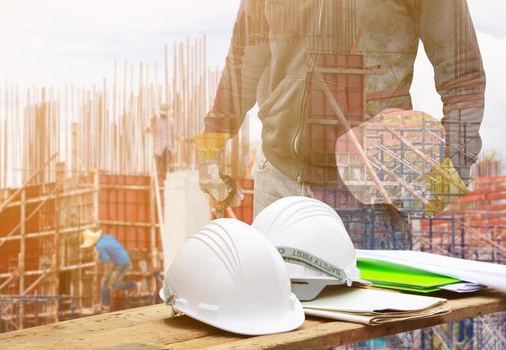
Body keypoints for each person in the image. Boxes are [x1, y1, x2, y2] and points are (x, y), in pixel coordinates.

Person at [196, 0, 485, 249]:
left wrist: (452, 174)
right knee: (276, 309)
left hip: (369, 194)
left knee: (371, 309)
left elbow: (463, 79)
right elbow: (243, 60)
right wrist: (210, 147)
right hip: (277, 180)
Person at [80, 229, 140, 312]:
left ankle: (134, 285)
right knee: (105, 282)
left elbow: (106, 259)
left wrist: (98, 259)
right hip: (121, 262)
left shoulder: (99, 246)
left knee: (112, 284)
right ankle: (105, 305)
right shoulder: (107, 237)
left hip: (122, 264)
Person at [147, 104, 174, 177]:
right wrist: (152, 122)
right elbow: (149, 130)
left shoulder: (171, 121)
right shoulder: (157, 121)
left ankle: (165, 179)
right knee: (158, 167)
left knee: (166, 167)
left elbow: (173, 134)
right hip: (159, 148)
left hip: (167, 147)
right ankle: (159, 178)